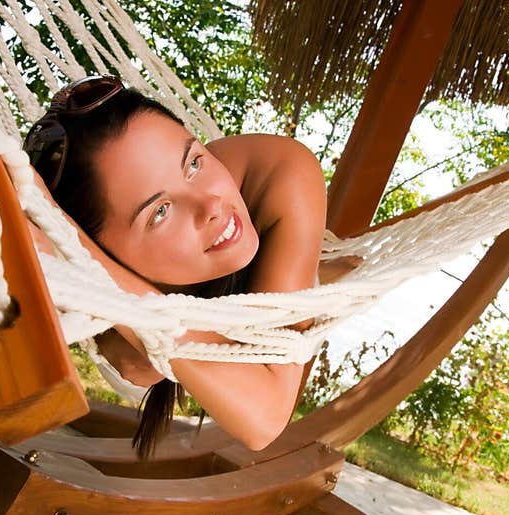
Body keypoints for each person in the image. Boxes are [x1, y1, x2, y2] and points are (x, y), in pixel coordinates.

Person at [24, 75, 332, 457]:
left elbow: (264, 419)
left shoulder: (283, 172)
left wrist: (77, 248)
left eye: (194, 163)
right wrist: (74, 251)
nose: (211, 205)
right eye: (160, 212)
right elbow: (138, 369)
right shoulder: (112, 338)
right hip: (162, 318)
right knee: (138, 363)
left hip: (289, 263)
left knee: (336, 270)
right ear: (106, 248)